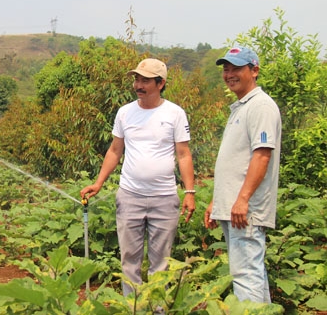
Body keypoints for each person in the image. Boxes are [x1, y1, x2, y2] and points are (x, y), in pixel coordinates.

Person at [80, 58, 195, 296]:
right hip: (130, 196)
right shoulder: (125, 113)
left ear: (161, 83)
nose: (138, 85)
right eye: (136, 79)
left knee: (160, 263)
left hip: (164, 198)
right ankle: (131, 307)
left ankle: (157, 308)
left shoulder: (174, 113)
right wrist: (99, 182)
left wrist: (190, 192)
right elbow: (114, 150)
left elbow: (183, 155)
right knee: (129, 260)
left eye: (145, 80)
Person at [204, 47, 282, 303]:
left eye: (236, 68)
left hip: (245, 210)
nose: (229, 74)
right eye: (226, 69)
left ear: (254, 70)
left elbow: (262, 155)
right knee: (251, 274)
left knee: (245, 275)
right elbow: (235, 161)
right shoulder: (241, 106)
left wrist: (243, 199)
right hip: (235, 206)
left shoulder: (260, 106)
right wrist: (219, 201)